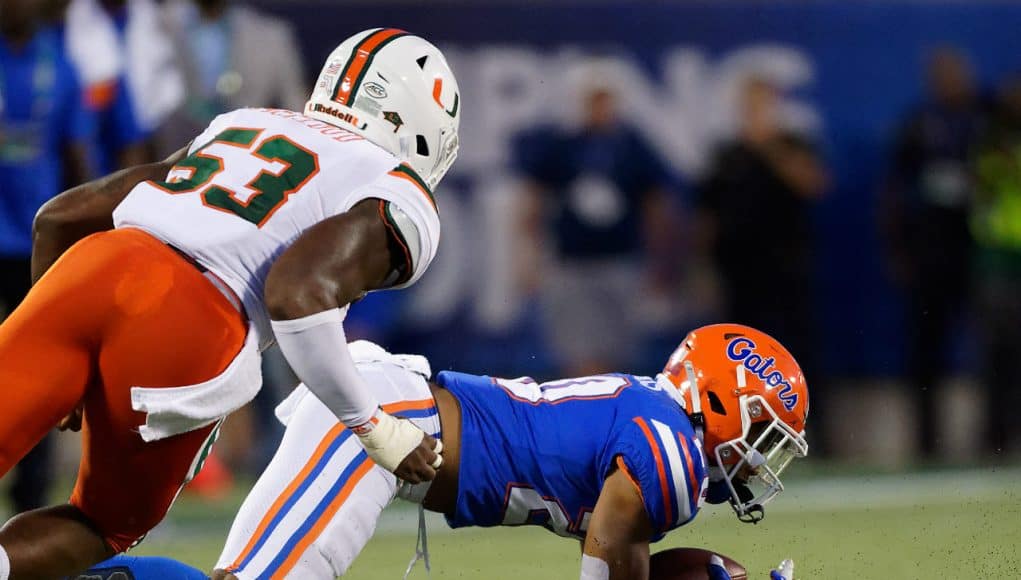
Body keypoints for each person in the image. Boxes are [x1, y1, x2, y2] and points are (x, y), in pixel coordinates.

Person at [0, 28, 460, 578]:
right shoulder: (397, 187)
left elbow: (58, 219)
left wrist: (66, 349)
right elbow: (297, 295)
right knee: (104, 523)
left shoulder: (248, 123)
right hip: (189, 316)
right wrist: (374, 427)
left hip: (93, 267)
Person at [87, 323, 808, 580]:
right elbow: (610, 537)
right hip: (385, 430)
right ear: (715, 404)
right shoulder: (672, 450)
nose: (757, 462)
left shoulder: (653, 416)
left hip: (393, 419)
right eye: (763, 435)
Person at [514, 61, 675, 376]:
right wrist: (528, 259)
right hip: (572, 266)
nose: (600, 107)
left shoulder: (633, 146)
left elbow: (657, 206)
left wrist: (659, 264)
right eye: (593, 99)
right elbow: (532, 204)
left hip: (622, 263)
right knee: (579, 355)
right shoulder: (561, 146)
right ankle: (586, 423)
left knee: (618, 356)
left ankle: (606, 421)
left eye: (605, 98)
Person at [697, 76, 827, 451]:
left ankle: (809, 435)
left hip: (788, 272)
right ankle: (745, 440)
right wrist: (703, 269)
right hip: (740, 273)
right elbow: (708, 216)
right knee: (738, 363)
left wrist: (771, 148)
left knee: (800, 353)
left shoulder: (791, 147)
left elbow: (813, 184)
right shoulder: (727, 154)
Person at [0, 0, 94, 516]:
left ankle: (28, 500)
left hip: (34, 242)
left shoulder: (59, 66)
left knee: (33, 370)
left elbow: (76, 151)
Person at [880, 48, 984, 458]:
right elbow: (892, 191)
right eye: (941, 74)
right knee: (926, 351)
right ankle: (928, 443)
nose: (949, 81)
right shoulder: (919, 125)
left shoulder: (985, 120)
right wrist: (897, 250)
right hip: (928, 257)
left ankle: (996, 440)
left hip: (979, 256)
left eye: (955, 73)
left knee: (995, 350)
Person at [971, 73, 1021, 456]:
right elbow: (979, 181)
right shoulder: (989, 138)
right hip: (998, 258)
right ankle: (996, 437)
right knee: (999, 350)